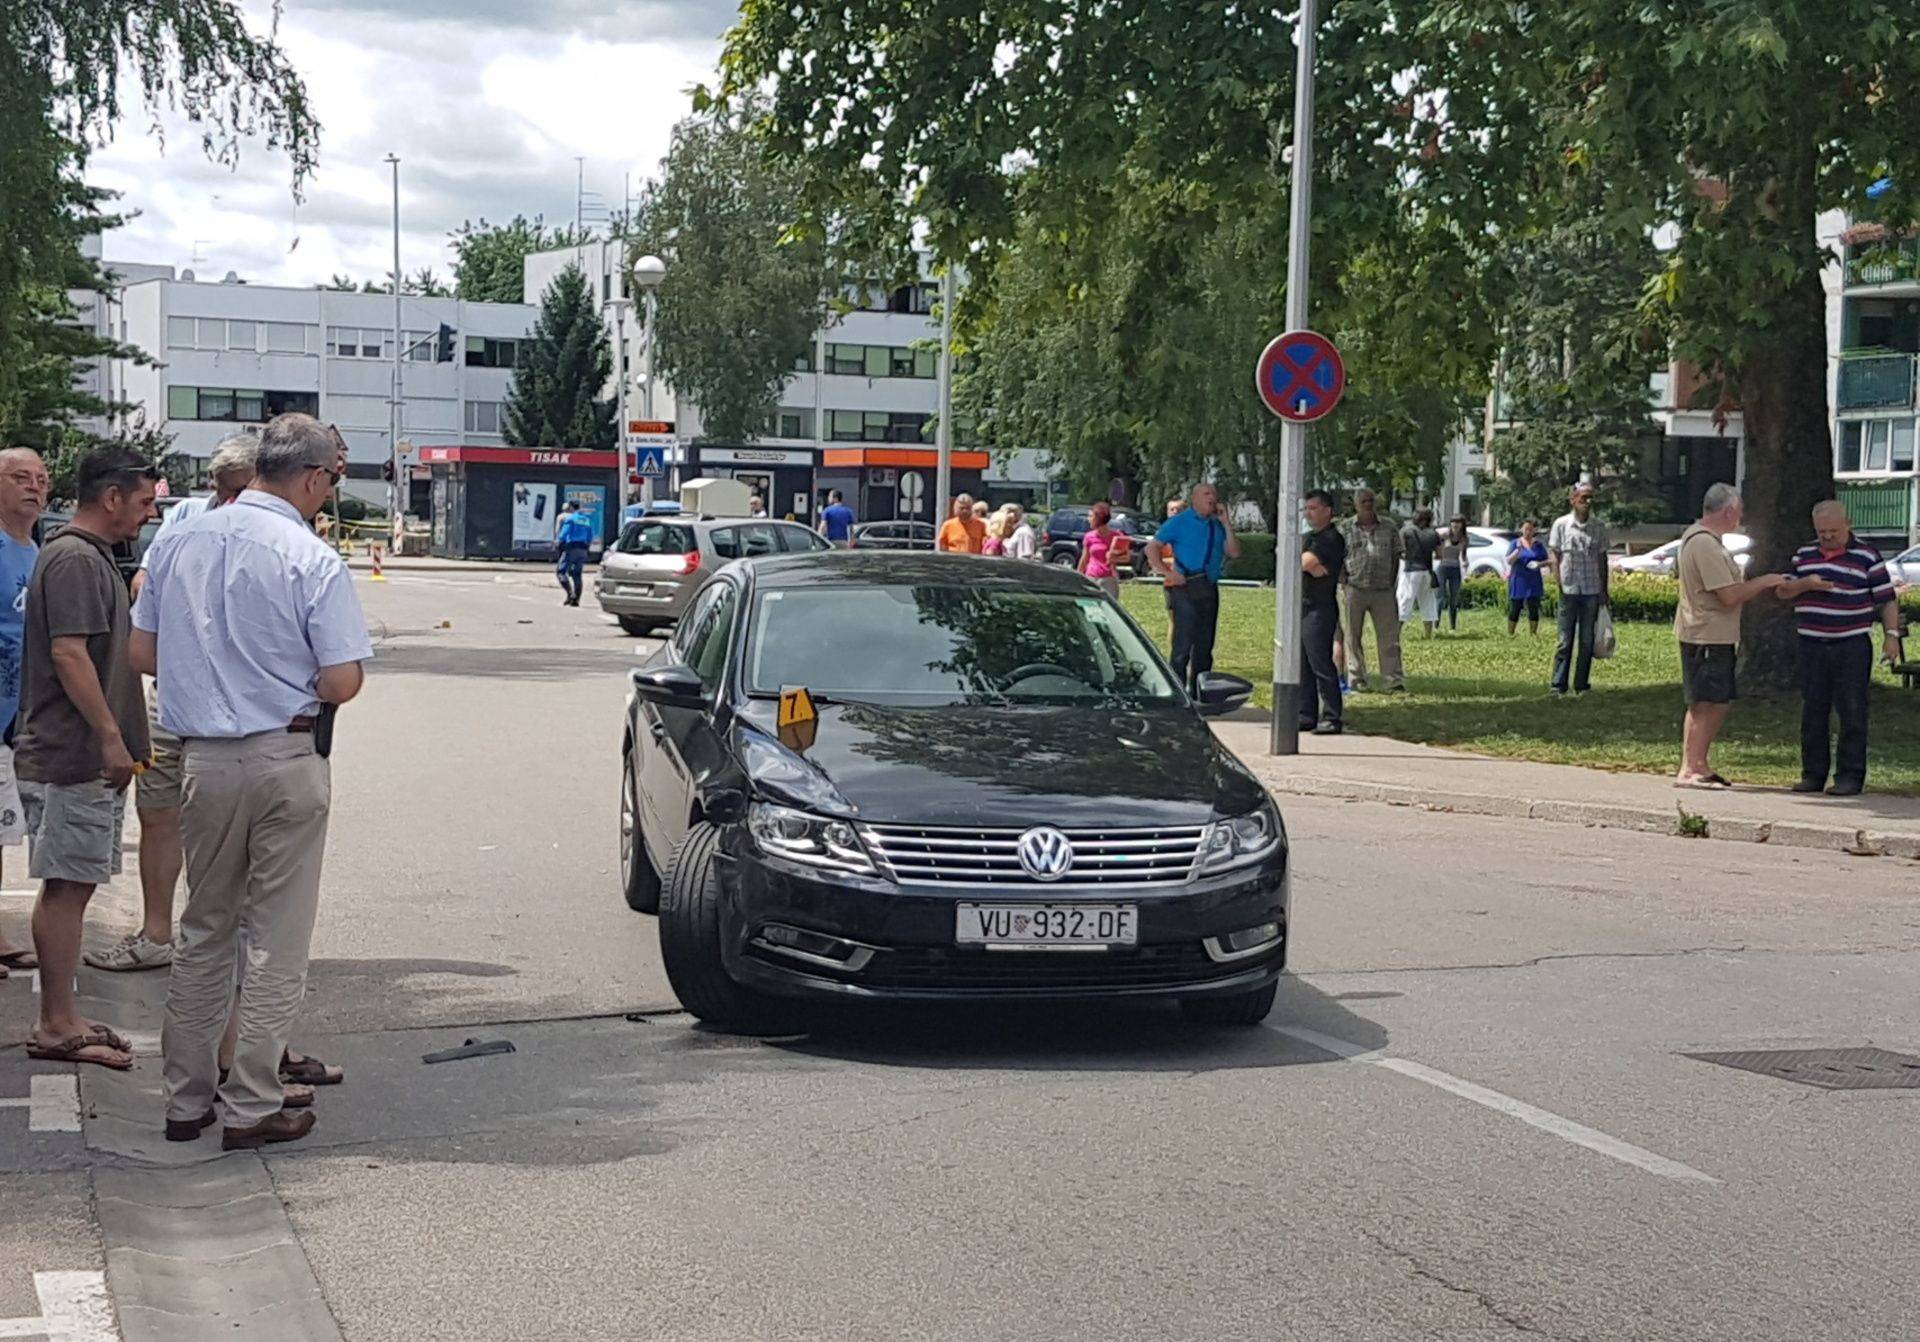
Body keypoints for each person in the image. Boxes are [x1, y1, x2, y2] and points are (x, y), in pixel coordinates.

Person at [133, 413, 373, 1150]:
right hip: (284, 754)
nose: (331, 494)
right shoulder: (309, 557)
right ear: (308, 478)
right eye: (332, 479)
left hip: (202, 758)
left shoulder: (179, 540)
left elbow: (143, 652)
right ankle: (252, 1103)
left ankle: (183, 1100)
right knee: (274, 937)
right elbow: (340, 679)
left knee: (204, 927)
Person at [91, 433, 260, 975]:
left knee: (227, 821)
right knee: (158, 810)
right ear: (213, 482)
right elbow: (145, 580)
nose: (228, 498)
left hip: (233, 703)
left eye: (239, 489)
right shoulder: (186, 516)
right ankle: (157, 933)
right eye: (222, 486)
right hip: (171, 694)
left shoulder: (273, 529)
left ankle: (219, 939)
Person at [16, 448, 159, 1070]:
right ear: (112, 497)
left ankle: (61, 1014)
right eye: (145, 501)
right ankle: (56, 1023)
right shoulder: (74, 558)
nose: (148, 514)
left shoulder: (88, 556)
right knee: (67, 887)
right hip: (73, 755)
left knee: (73, 884)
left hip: (81, 753)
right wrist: (108, 736)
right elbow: (69, 653)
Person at [1671, 483, 1821, 789]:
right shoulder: (1704, 544)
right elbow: (1729, 596)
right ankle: (1691, 768)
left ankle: (1697, 763)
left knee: (1715, 699)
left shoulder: (1703, 540)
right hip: (1706, 635)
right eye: (1738, 511)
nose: (1741, 516)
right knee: (1708, 702)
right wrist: (1765, 582)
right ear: (1727, 511)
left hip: (1712, 633)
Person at [1785, 500, 1903, 796]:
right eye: (1821, 531)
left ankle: (1850, 776)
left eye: (1833, 531)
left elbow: (1886, 598)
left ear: (1847, 524)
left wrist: (1891, 636)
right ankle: (1813, 774)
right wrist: (1805, 584)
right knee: (1813, 710)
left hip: (1850, 643)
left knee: (1852, 710)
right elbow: (1782, 590)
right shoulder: (1804, 555)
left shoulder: (1866, 555)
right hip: (1811, 642)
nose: (1827, 536)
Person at [0, 448, 48, 978]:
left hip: (19, 714)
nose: (34, 488)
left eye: (40, 478)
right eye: (20, 478)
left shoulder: (34, 550)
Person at [1148, 482, 1241, 694]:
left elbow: (1234, 552)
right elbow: (1152, 547)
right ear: (1195, 499)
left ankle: (1200, 692)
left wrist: (1227, 524)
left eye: (1214, 494)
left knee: (1205, 644)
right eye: (1207, 494)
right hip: (1185, 586)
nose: (1212, 498)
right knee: (1183, 644)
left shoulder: (1217, 524)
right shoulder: (1180, 522)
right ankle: (1177, 690)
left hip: (1208, 586)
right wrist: (1168, 572)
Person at [1548, 482, 1611, 696]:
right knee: (1564, 641)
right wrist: (1558, 581)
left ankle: (1581, 685)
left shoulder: (1598, 527)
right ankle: (1558, 685)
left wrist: (1604, 589)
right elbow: (1555, 555)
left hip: (1591, 589)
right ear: (1573, 500)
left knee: (1586, 640)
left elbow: (1603, 558)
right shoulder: (1561, 525)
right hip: (1569, 589)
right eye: (1583, 498)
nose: (1587, 502)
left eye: (1590, 498)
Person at [1339, 488, 1405, 692]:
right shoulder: (1346, 527)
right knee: (1352, 636)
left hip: (1383, 590)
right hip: (1355, 588)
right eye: (1364, 501)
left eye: (1371, 500)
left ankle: (1393, 679)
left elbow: (1397, 555)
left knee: (1389, 637)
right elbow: (1338, 556)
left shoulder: (1389, 526)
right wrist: (1345, 582)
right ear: (1356, 505)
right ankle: (1357, 678)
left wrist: (1391, 581)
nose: (1368, 504)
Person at [1299, 489, 1347, 735]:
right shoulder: (1308, 538)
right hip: (1302, 605)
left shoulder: (1331, 538)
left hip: (1320, 607)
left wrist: (1308, 564)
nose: (1308, 512)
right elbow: (1291, 559)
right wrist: (1306, 563)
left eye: (1314, 508)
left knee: (1320, 662)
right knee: (1302, 662)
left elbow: (1304, 562)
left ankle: (1332, 716)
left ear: (1328, 511)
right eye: (1306, 508)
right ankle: (1306, 714)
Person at [1398, 508, 1440, 636]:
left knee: (1405, 600)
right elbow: (1440, 554)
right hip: (1427, 571)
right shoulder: (1433, 534)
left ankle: (1396, 632)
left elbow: (1400, 550)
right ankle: (1428, 634)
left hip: (1411, 570)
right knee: (1427, 601)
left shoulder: (1406, 531)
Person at [1505, 520, 1549, 636]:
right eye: (1526, 529)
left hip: (1534, 579)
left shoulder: (1538, 545)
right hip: (1519, 578)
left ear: (1534, 530)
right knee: (1516, 606)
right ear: (1522, 530)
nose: (1528, 532)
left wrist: (1539, 564)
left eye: (1530, 529)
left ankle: (1533, 633)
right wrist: (1518, 551)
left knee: (1533, 606)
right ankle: (1511, 633)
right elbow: (1509, 561)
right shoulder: (1515, 543)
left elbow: (1547, 560)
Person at [1078, 501, 1123, 598]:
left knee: (1109, 608)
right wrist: (1078, 575)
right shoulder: (1089, 536)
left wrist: (1114, 558)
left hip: (1109, 578)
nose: (1088, 519)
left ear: (1098, 518)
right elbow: (1084, 558)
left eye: (1091, 516)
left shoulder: (1116, 536)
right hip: (1091, 577)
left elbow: (1126, 557)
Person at [553, 501, 594, 607]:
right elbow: (590, 536)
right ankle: (576, 599)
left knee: (561, 572)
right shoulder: (586, 520)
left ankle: (570, 594)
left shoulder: (570, 519)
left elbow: (564, 534)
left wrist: (558, 542)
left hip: (571, 548)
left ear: (571, 507)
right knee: (577, 574)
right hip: (583, 549)